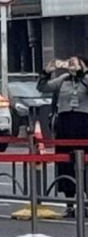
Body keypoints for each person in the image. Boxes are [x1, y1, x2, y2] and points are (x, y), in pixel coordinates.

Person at [37, 55, 88, 207]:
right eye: (69, 63)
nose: (71, 65)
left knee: (85, 162)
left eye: (75, 63)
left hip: (84, 123)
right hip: (65, 123)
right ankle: (69, 202)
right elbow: (43, 88)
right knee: (65, 162)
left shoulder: (86, 79)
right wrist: (46, 72)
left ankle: (85, 201)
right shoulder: (64, 79)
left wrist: (82, 74)